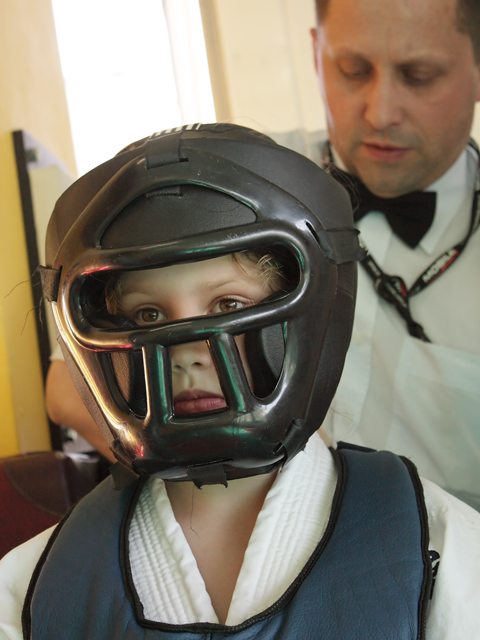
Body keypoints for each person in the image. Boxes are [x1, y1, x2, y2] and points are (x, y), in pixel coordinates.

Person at [0, 124, 479, 638]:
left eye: (229, 305)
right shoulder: (32, 589)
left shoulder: (436, 544)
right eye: (148, 315)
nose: (187, 355)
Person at [275, 0, 480, 510]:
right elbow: (79, 384)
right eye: (353, 70)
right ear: (316, 55)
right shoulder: (243, 182)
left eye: (420, 75)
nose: (381, 112)